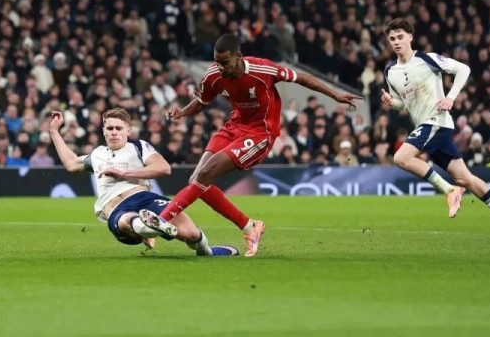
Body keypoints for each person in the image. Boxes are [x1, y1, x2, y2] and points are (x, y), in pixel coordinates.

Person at [141, 34, 362, 256]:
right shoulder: (214, 75)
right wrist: (182, 112)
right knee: (197, 181)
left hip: (260, 134)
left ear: (239, 56)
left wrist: (334, 95)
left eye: (225, 62)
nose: (220, 67)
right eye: (217, 61)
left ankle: (160, 222)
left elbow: (301, 78)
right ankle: (249, 226)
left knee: (205, 174)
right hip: (234, 127)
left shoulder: (262, 69)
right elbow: (201, 102)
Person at [380, 18, 490, 242]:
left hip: (437, 122)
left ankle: (449, 190)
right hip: (427, 127)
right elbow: (402, 104)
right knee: (465, 179)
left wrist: (450, 97)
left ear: (410, 37)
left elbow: (463, 69)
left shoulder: (426, 59)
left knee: (401, 158)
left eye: (400, 37)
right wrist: (392, 102)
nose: (396, 42)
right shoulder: (391, 71)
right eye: (392, 39)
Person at [48, 108, 238, 256]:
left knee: (192, 234)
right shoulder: (97, 154)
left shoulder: (139, 147)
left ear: (128, 130)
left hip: (146, 198)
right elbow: (71, 164)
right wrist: (54, 131)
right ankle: (150, 226)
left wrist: (124, 174)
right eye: (110, 128)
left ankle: (205, 250)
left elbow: (163, 168)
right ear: (103, 130)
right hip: (115, 208)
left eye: (119, 128)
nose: (114, 132)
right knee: (126, 222)